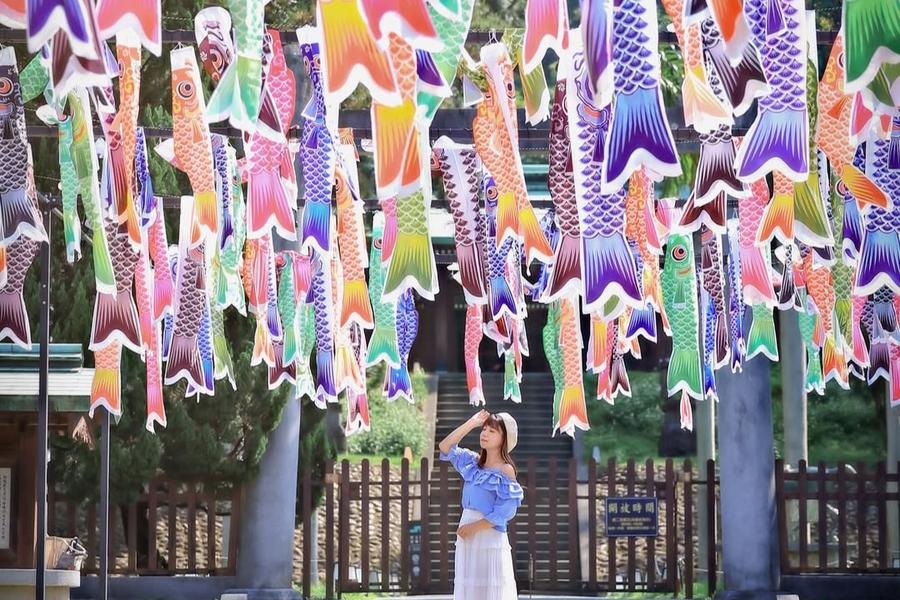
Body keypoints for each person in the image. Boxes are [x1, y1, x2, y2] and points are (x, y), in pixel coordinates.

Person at [438, 409, 524, 600]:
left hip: (488, 536)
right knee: (469, 589)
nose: (484, 433)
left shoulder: (506, 470)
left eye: (492, 431)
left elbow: (505, 511)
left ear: (504, 438)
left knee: (491, 589)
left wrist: (473, 528)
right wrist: (472, 422)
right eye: (484, 429)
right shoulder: (472, 462)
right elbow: (445, 447)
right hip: (468, 535)